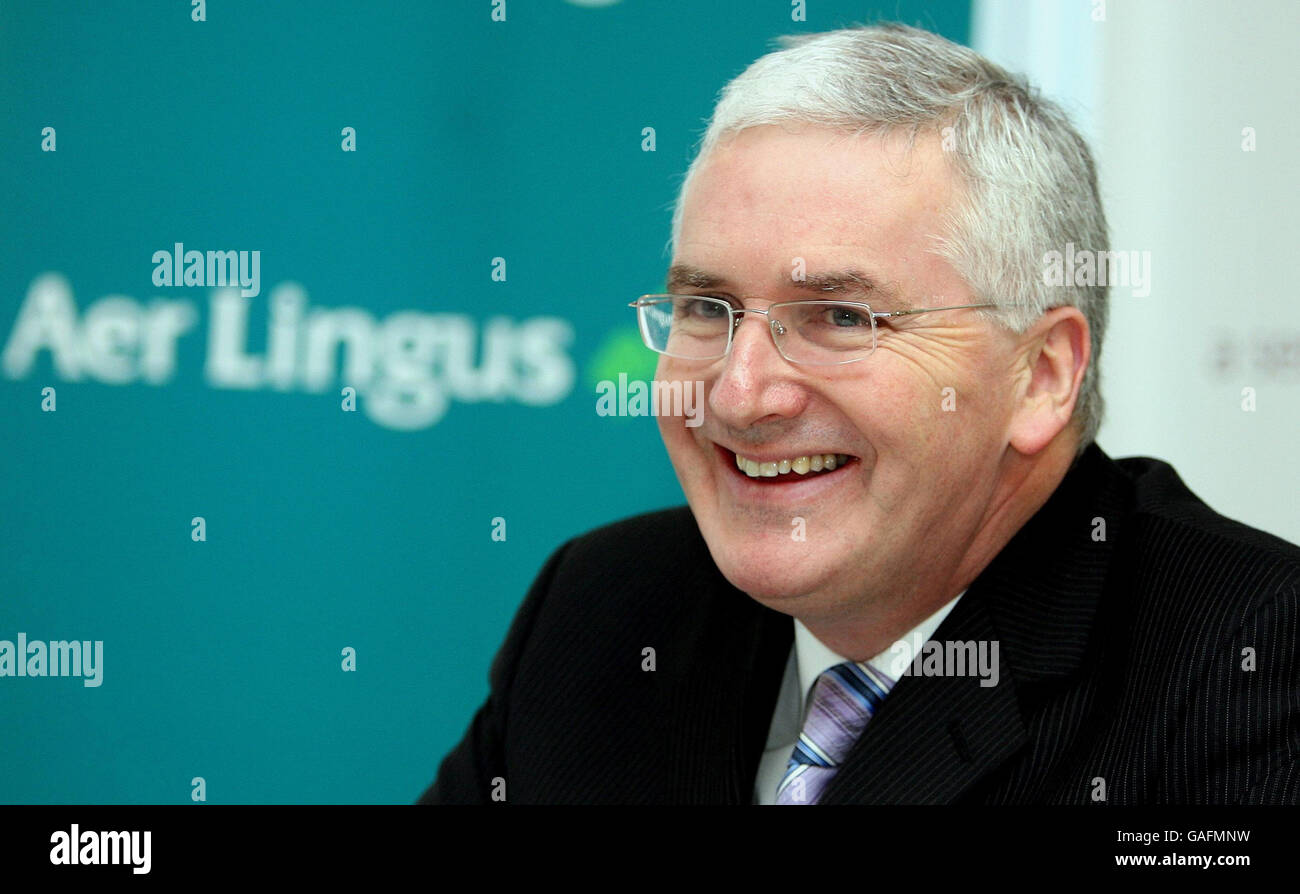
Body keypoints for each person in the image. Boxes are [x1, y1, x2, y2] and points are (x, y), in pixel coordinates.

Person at [419, 23, 1300, 804]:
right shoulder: (604, 609)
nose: (738, 393)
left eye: (841, 317)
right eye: (704, 308)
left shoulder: (1252, 669)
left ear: (1040, 374)